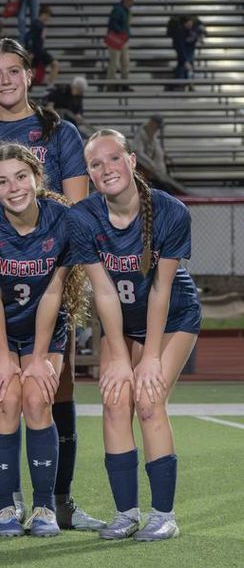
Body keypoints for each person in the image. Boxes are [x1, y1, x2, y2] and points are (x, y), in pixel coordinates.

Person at [0, 37, 103, 532]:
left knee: (52, 391)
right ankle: (7, 500)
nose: (4, 80)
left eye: (12, 71)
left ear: (29, 75)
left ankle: (57, 500)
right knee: (5, 391)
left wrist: (53, 249)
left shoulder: (56, 130)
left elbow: (77, 207)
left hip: (50, 266)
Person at [69, 129, 201, 541]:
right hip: (121, 321)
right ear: (89, 174)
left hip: (173, 316)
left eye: (113, 158)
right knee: (114, 399)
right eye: (95, 163)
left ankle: (163, 515)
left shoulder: (170, 211)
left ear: (131, 161)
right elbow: (105, 291)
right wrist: (121, 356)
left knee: (148, 399)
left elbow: (161, 289)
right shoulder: (83, 217)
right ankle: (126, 513)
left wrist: (150, 357)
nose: (106, 168)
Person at [0, 143, 89, 538]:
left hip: (44, 329)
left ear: (36, 176)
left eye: (20, 176)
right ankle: (3, 509)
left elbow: (54, 292)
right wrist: (2, 355)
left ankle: (44, 508)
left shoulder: (63, 220)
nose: (13, 187)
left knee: (37, 397)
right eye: (2, 181)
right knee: (6, 400)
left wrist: (36, 358)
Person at [132, 115, 189, 196]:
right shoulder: (141, 134)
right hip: (150, 171)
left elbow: (155, 146)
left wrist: (163, 154)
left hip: (156, 171)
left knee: (164, 190)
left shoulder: (151, 133)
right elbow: (138, 152)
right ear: (152, 123)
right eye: (157, 126)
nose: (158, 129)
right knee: (162, 191)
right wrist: (150, 163)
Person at [104, 0, 134, 88]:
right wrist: (122, 32)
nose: (132, 1)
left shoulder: (127, 10)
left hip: (123, 39)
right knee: (115, 63)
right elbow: (113, 24)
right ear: (126, 0)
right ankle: (110, 85)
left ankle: (125, 84)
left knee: (125, 63)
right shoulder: (117, 10)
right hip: (116, 39)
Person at [168, 15, 203, 87]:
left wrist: (201, 36)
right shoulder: (178, 32)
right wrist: (185, 61)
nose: (189, 25)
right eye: (187, 24)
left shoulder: (196, 25)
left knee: (189, 60)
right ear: (183, 24)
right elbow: (180, 48)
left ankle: (188, 81)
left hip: (190, 43)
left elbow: (202, 30)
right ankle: (180, 82)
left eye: (190, 23)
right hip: (182, 43)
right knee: (184, 62)